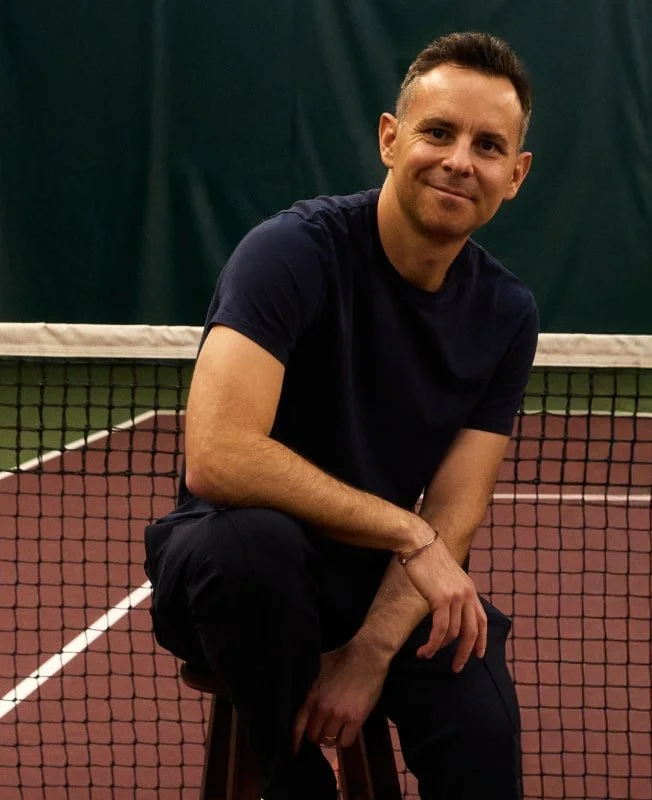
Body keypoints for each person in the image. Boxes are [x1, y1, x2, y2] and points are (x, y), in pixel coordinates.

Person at [144, 31, 537, 800]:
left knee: (477, 709)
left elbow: (456, 507)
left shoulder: (506, 314)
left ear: (514, 176)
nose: (461, 159)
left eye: (488, 146)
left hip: (366, 583)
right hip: (226, 566)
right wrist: (404, 529)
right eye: (437, 131)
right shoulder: (289, 252)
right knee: (253, 546)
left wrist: (369, 651)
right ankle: (292, 782)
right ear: (390, 139)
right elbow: (219, 454)